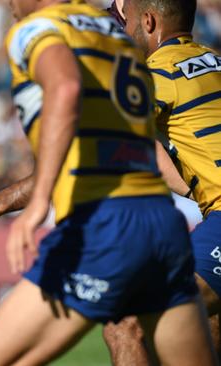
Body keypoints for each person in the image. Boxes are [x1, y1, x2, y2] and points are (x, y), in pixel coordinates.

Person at [0, 0, 217, 365]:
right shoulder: (117, 41)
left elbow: (67, 89)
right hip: (162, 223)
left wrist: (35, 203)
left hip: (104, 225)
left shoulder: (39, 29)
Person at [101, 0, 221, 364]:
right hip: (214, 215)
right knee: (208, 327)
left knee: (128, 320)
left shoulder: (153, 73)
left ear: (149, 22)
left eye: (124, 23)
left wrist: (2, 201)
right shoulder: (212, 60)